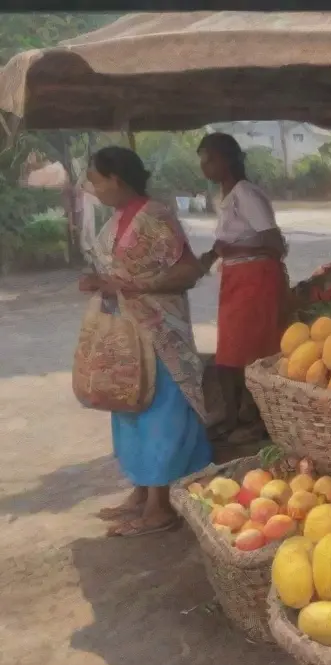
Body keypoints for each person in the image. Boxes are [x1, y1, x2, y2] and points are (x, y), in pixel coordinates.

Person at [80, 147, 212, 537]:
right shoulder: (117, 219)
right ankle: (141, 493)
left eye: (96, 180)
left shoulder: (156, 216)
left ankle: (160, 507)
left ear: (116, 179)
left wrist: (132, 285)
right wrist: (102, 284)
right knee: (130, 407)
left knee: (160, 415)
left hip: (161, 334)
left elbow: (188, 271)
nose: (93, 188)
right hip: (127, 335)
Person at [196, 132, 289, 444]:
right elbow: (231, 239)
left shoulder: (246, 194)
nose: (204, 167)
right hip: (237, 278)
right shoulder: (227, 197)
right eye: (203, 161)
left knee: (246, 351)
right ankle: (235, 416)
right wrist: (213, 255)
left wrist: (229, 250)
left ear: (227, 160)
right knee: (232, 350)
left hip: (256, 278)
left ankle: (250, 419)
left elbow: (274, 242)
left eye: (210, 160)